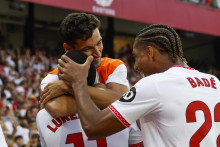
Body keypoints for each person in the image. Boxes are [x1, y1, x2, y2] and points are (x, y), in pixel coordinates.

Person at [58, 24, 220, 147]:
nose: (135, 66)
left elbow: (93, 127)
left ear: (150, 52)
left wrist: (78, 82)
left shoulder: (154, 84)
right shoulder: (214, 82)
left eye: (136, 57)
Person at [38, 12, 143, 147]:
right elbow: (57, 108)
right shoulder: (52, 78)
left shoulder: (113, 66)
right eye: (88, 48)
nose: (98, 53)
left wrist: (69, 87)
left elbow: (120, 101)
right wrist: (100, 91)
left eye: (99, 42)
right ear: (68, 49)